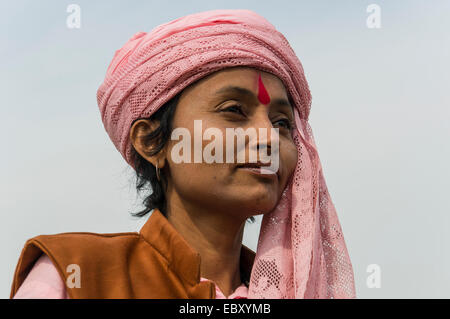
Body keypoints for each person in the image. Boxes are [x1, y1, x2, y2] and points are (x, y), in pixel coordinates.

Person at [10, 9, 356, 299]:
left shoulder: (300, 288)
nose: (269, 138)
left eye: (282, 123)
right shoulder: (78, 274)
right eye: (234, 110)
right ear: (151, 142)